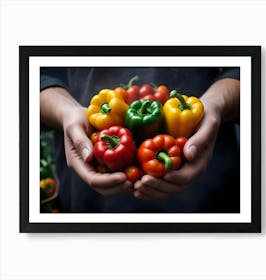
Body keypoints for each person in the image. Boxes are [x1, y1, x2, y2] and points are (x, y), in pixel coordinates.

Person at [40, 67, 240, 213]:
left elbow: (252, 67)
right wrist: (66, 112)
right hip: (88, 198)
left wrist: (216, 104)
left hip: (210, 189)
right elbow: (32, 75)